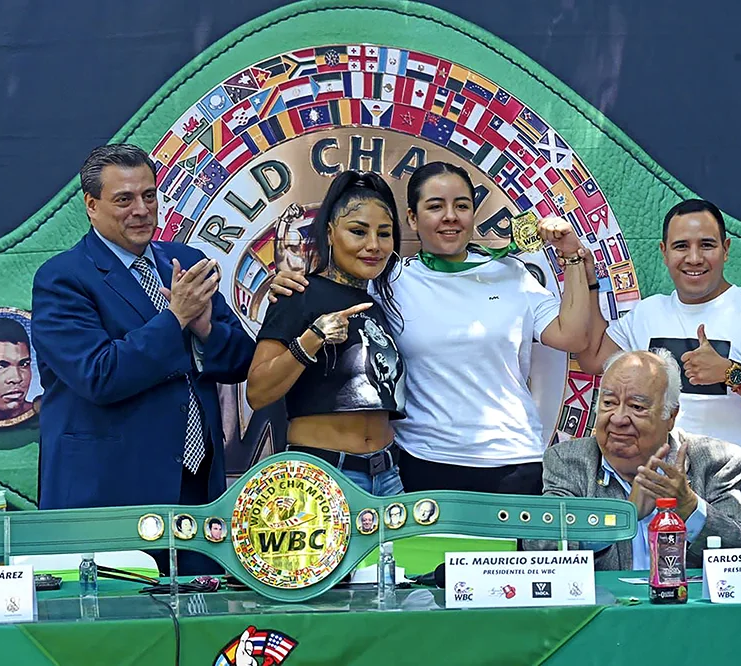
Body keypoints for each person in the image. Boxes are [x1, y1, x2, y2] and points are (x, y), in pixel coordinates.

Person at [270, 162, 592, 496]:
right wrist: (292, 287)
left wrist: (571, 257)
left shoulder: (513, 274)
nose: (450, 216)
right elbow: (335, 284)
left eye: (462, 206)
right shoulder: (388, 279)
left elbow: (574, 336)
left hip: (515, 461)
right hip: (424, 464)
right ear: (411, 219)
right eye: (435, 206)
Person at [31, 144, 254, 571]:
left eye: (149, 196)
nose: (142, 210)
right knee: (110, 630)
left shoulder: (185, 263)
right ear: (91, 206)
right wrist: (176, 318)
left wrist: (204, 328)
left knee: (200, 623)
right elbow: (100, 374)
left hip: (196, 491)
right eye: (124, 199)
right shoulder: (63, 278)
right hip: (108, 494)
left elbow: (242, 359)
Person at [576, 199, 741, 546]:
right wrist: (587, 278)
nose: (694, 258)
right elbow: (593, 356)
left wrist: (731, 373)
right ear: (664, 251)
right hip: (656, 508)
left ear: (726, 250)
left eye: (707, 245)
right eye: (682, 246)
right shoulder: (647, 313)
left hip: (737, 508)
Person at [247, 171, 406, 496]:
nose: (373, 245)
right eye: (358, 231)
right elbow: (257, 392)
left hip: (388, 475)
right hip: (321, 477)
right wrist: (312, 338)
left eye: (384, 233)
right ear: (331, 233)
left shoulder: (382, 302)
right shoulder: (299, 293)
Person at [526, 349, 741, 569]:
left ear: (671, 416)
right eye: (608, 403)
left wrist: (689, 507)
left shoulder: (714, 462)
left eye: (636, 407)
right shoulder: (567, 461)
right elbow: (541, 548)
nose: (618, 418)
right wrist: (622, 517)